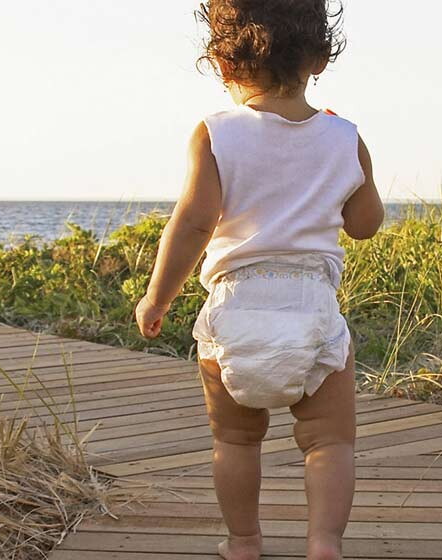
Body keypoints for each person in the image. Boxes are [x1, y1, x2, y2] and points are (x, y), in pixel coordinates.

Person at [133, 2, 381, 558]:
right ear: (319, 59)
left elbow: (194, 223)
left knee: (236, 440)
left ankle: (244, 541)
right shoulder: (344, 136)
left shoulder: (215, 134)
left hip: (234, 309)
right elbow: (364, 225)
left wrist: (157, 297)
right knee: (328, 442)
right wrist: (348, 164)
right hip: (312, 309)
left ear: (222, 64)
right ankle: (323, 545)